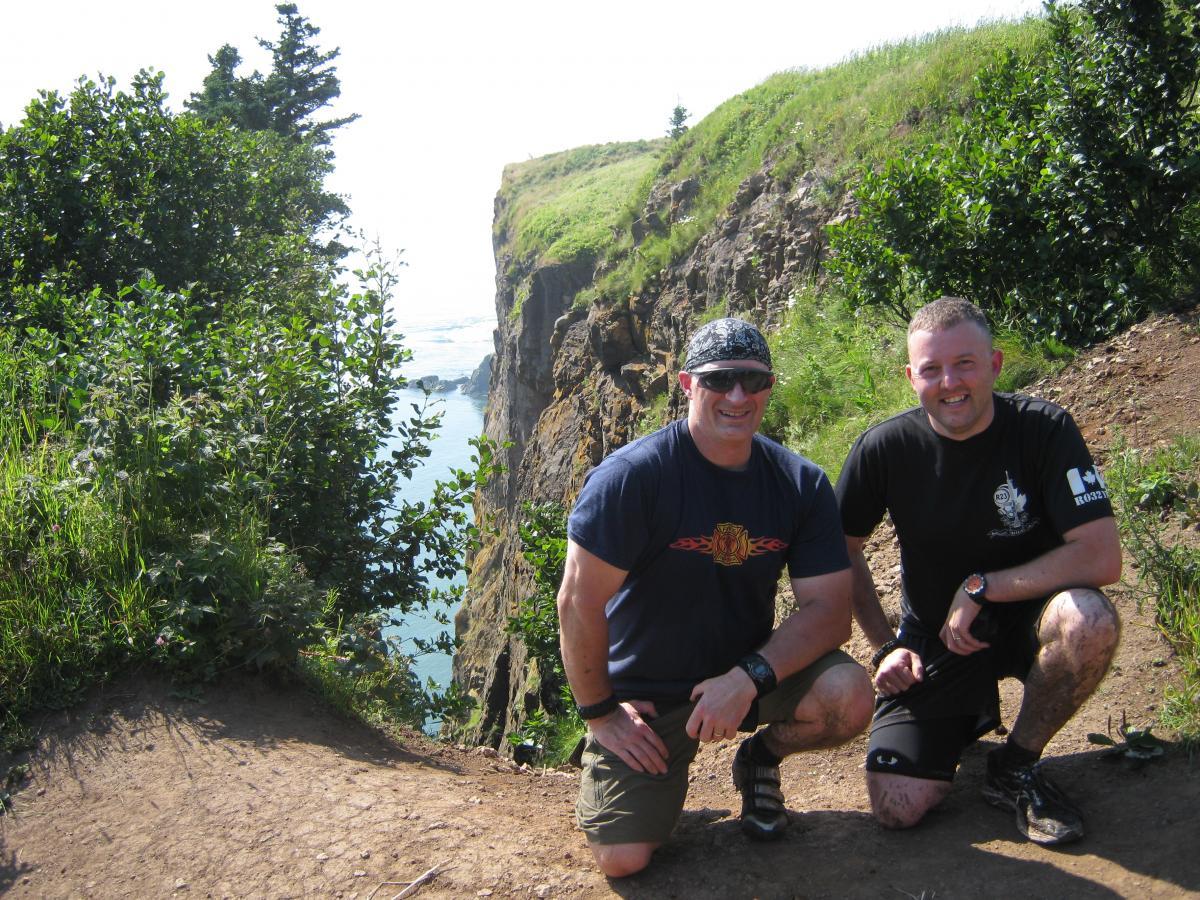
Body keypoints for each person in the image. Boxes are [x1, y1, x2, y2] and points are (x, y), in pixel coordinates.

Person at [557, 317, 873, 878]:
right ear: (686, 384)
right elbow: (577, 602)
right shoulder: (633, 478)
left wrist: (746, 678)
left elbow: (829, 613)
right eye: (719, 379)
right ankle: (627, 769)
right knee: (623, 860)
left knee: (847, 696)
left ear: (769, 387)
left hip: (748, 676)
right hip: (651, 696)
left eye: (753, 381)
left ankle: (760, 759)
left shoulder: (800, 484)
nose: (737, 395)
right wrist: (601, 713)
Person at [837, 297, 1121, 846]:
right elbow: (841, 550)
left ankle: (1016, 763)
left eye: (965, 363)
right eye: (932, 369)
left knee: (1089, 620)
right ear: (911, 377)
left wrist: (982, 588)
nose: (950, 382)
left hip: (1033, 621)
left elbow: (1100, 555)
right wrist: (881, 647)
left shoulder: (1045, 431)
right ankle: (969, 711)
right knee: (897, 807)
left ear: (994, 365)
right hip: (933, 639)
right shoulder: (885, 448)